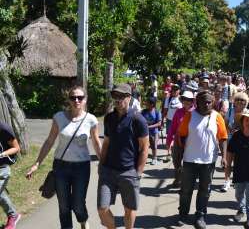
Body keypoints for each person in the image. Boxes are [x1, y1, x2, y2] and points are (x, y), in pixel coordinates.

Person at [26, 86, 101, 229]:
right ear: (69, 100)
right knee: (64, 205)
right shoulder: (59, 117)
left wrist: (103, 164)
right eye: (73, 98)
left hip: (82, 167)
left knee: (78, 204)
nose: (76, 100)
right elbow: (49, 141)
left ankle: (83, 221)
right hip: (61, 167)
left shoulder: (91, 120)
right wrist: (37, 164)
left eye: (80, 98)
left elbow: (97, 143)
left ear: (85, 100)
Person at [97, 84, 149, 229]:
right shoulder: (109, 118)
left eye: (121, 96)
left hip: (129, 172)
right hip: (108, 171)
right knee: (102, 208)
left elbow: (145, 148)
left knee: (129, 209)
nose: (117, 99)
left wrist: (138, 173)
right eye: (115, 96)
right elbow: (106, 143)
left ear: (129, 97)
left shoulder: (138, 120)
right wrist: (101, 165)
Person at [176, 91, 228, 229]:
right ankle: (183, 213)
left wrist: (224, 157)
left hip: (208, 161)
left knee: (205, 190)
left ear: (213, 103)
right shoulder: (189, 115)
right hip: (189, 160)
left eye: (209, 102)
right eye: (203, 101)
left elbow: (223, 137)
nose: (206, 104)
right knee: (186, 189)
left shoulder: (217, 117)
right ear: (197, 102)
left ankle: (200, 215)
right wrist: (179, 158)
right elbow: (181, 136)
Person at [166, 90, 195, 187]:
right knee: (176, 161)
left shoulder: (195, 113)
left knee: (188, 163)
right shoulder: (178, 112)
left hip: (191, 141)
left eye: (189, 100)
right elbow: (172, 128)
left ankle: (185, 182)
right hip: (178, 141)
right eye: (185, 99)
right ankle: (178, 178)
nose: (187, 101)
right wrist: (168, 141)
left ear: (192, 101)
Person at [223, 92, 249, 192]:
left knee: (239, 163)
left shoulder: (248, 113)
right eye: (238, 99)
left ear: (246, 102)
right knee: (228, 162)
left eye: (242, 100)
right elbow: (224, 123)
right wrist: (228, 129)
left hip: (243, 140)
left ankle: (236, 181)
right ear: (234, 101)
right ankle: (227, 181)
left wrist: (241, 130)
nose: (240, 102)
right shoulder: (230, 111)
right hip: (230, 139)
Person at [0, 121, 21, 229]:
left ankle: (13, 216)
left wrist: (2, 154)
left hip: (2, 168)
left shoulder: (3, 128)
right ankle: (13, 215)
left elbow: (16, 148)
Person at [141, 97, 162, 165]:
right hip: (145, 133)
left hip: (154, 132)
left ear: (152, 104)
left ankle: (154, 158)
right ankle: (142, 159)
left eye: (147, 103)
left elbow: (159, 123)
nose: (146, 104)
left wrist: (149, 127)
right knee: (144, 147)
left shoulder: (157, 112)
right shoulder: (144, 111)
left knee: (154, 146)